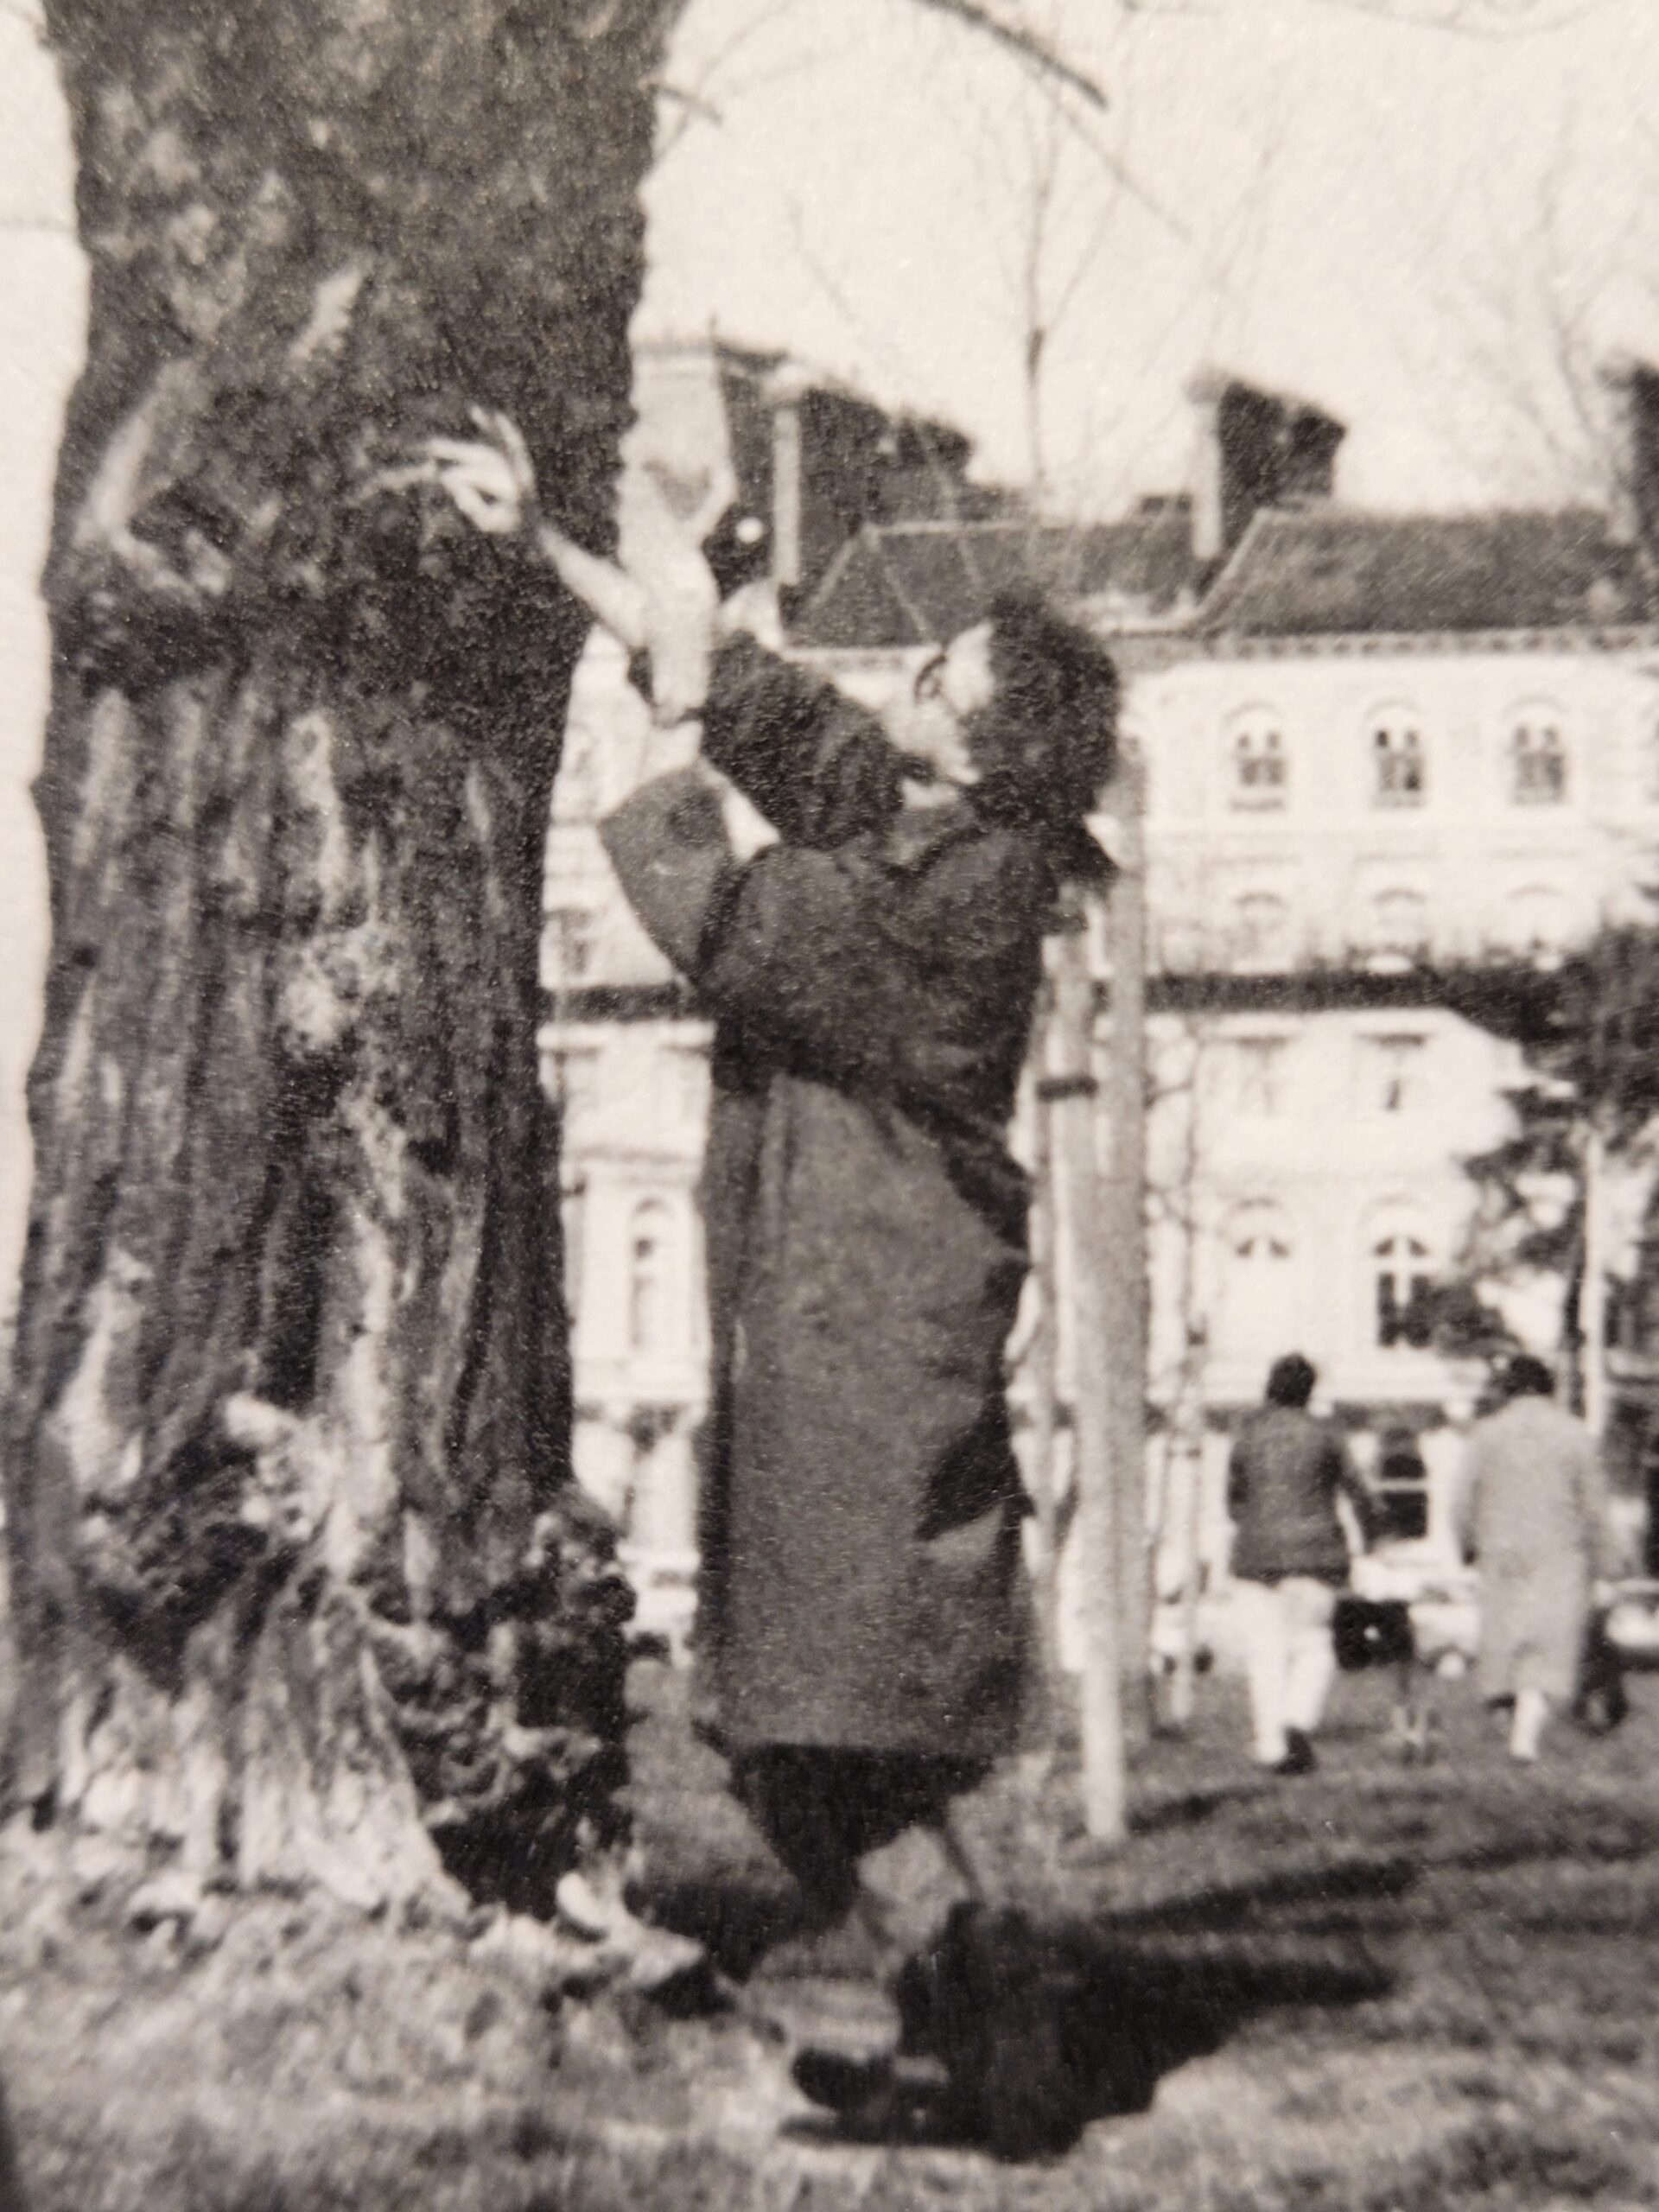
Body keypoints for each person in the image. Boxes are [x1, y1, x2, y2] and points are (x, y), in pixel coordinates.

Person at [410, 414, 1120, 2154]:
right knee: (810, 1719)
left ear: (987, 734)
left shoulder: (961, 897)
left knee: (829, 1719)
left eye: (938, 672)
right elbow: (761, 699)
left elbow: (723, 917)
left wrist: (654, 735)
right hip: (843, 1330)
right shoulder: (945, 832)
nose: (910, 683)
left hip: (874, 1345)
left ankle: (997, 2026)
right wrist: (558, 555)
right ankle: (973, 2035)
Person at [1227, 1353, 1379, 1775]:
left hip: (1255, 1557)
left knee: (1265, 1653)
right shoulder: (1327, 1434)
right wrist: (1371, 1538)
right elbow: (1359, 1491)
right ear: (1310, 1391)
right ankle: (1297, 1720)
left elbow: (1234, 1496)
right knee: (1314, 1645)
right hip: (1318, 1556)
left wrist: (1251, 1525)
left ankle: (1272, 1745)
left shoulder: (1248, 1434)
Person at [1455, 1354, 1610, 1764]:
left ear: (1508, 1389)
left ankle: (1509, 1719)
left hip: (1500, 1550)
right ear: (1549, 1388)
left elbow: (1463, 1497)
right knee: (1548, 1647)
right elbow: (1594, 1505)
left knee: (1504, 1641)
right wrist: (1604, 1558)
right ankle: (1525, 1733)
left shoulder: (1485, 1434)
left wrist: (1466, 1543)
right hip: (1560, 1551)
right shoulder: (1575, 1434)